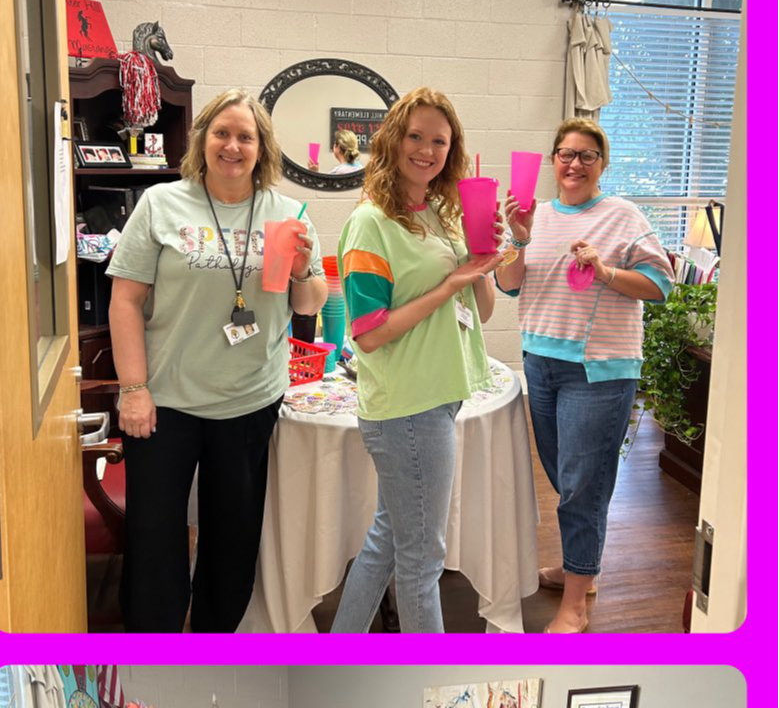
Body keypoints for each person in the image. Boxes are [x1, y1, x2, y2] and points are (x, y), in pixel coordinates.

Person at [107, 88, 328, 632]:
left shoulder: (289, 212)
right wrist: (133, 389)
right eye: (221, 133)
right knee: (155, 539)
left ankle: (214, 639)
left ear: (262, 148)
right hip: (166, 403)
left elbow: (309, 303)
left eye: (245, 137)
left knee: (232, 541)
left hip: (250, 401)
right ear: (202, 139)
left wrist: (303, 269)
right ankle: (151, 641)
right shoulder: (161, 204)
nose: (232, 146)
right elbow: (125, 301)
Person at [330, 87, 501, 634]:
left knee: (389, 540)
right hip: (406, 406)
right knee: (422, 560)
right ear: (391, 140)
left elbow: (484, 307)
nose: (427, 150)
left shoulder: (438, 216)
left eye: (440, 142)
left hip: (438, 394)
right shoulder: (370, 223)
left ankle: (341, 644)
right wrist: (450, 281)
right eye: (416, 136)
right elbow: (368, 334)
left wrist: (482, 261)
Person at [494, 119, 671, 632]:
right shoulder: (537, 215)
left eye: (587, 155)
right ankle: (582, 568)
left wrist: (608, 272)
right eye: (565, 154)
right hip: (541, 363)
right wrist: (520, 237)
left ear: (602, 164)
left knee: (582, 487)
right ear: (553, 160)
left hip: (599, 371)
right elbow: (508, 285)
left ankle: (575, 602)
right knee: (564, 479)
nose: (574, 164)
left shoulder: (622, 216)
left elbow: (661, 286)